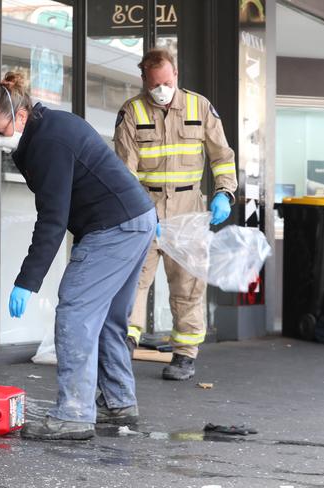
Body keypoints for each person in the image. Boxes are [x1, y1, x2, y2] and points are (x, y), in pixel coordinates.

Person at [0, 72, 157, 440]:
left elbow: (53, 218)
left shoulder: (49, 142)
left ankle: (73, 416)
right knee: (107, 317)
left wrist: (27, 282)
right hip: (133, 220)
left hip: (114, 227)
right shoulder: (43, 132)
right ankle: (118, 401)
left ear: (22, 116)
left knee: (75, 311)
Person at [114, 48, 238, 381]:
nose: (161, 90)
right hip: (145, 209)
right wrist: (137, 213)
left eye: (166, 82)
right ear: (144, 80)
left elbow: (222, 156)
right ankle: (125, 341)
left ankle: (184, 354)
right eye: (154, 84)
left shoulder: (200, 107)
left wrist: (224, 193)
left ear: (176, 75)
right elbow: (123, 172)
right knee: (133, 282)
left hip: (188, 210)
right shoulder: (132, 111)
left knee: (188, 285)